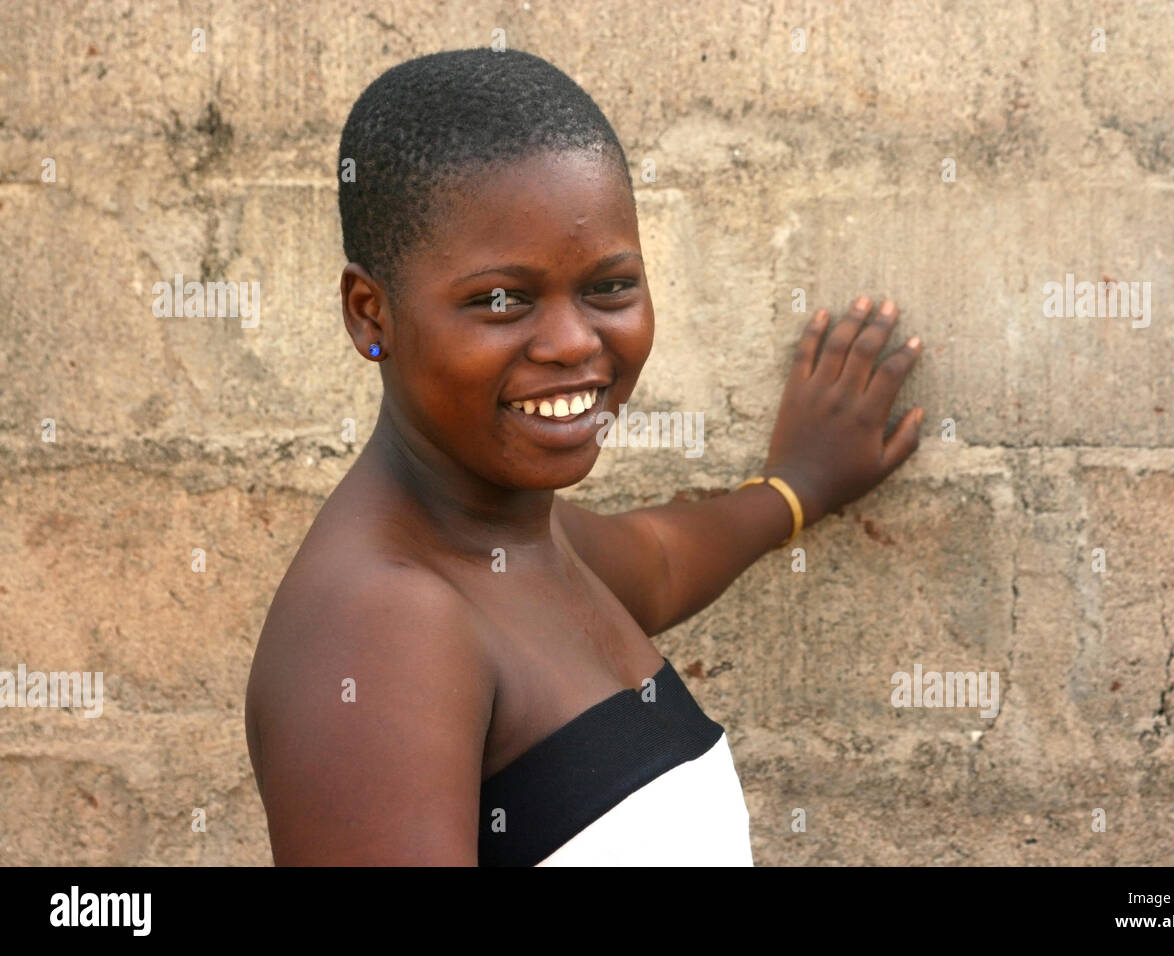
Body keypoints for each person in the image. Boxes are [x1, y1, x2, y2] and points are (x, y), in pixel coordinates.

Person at [244, 47, 924, 866]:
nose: (574, 343)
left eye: (608, 288)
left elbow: (663, 561)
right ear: (369, 314)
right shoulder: (382, 629)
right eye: (502, 300)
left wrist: (796, 487)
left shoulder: (523, 538)